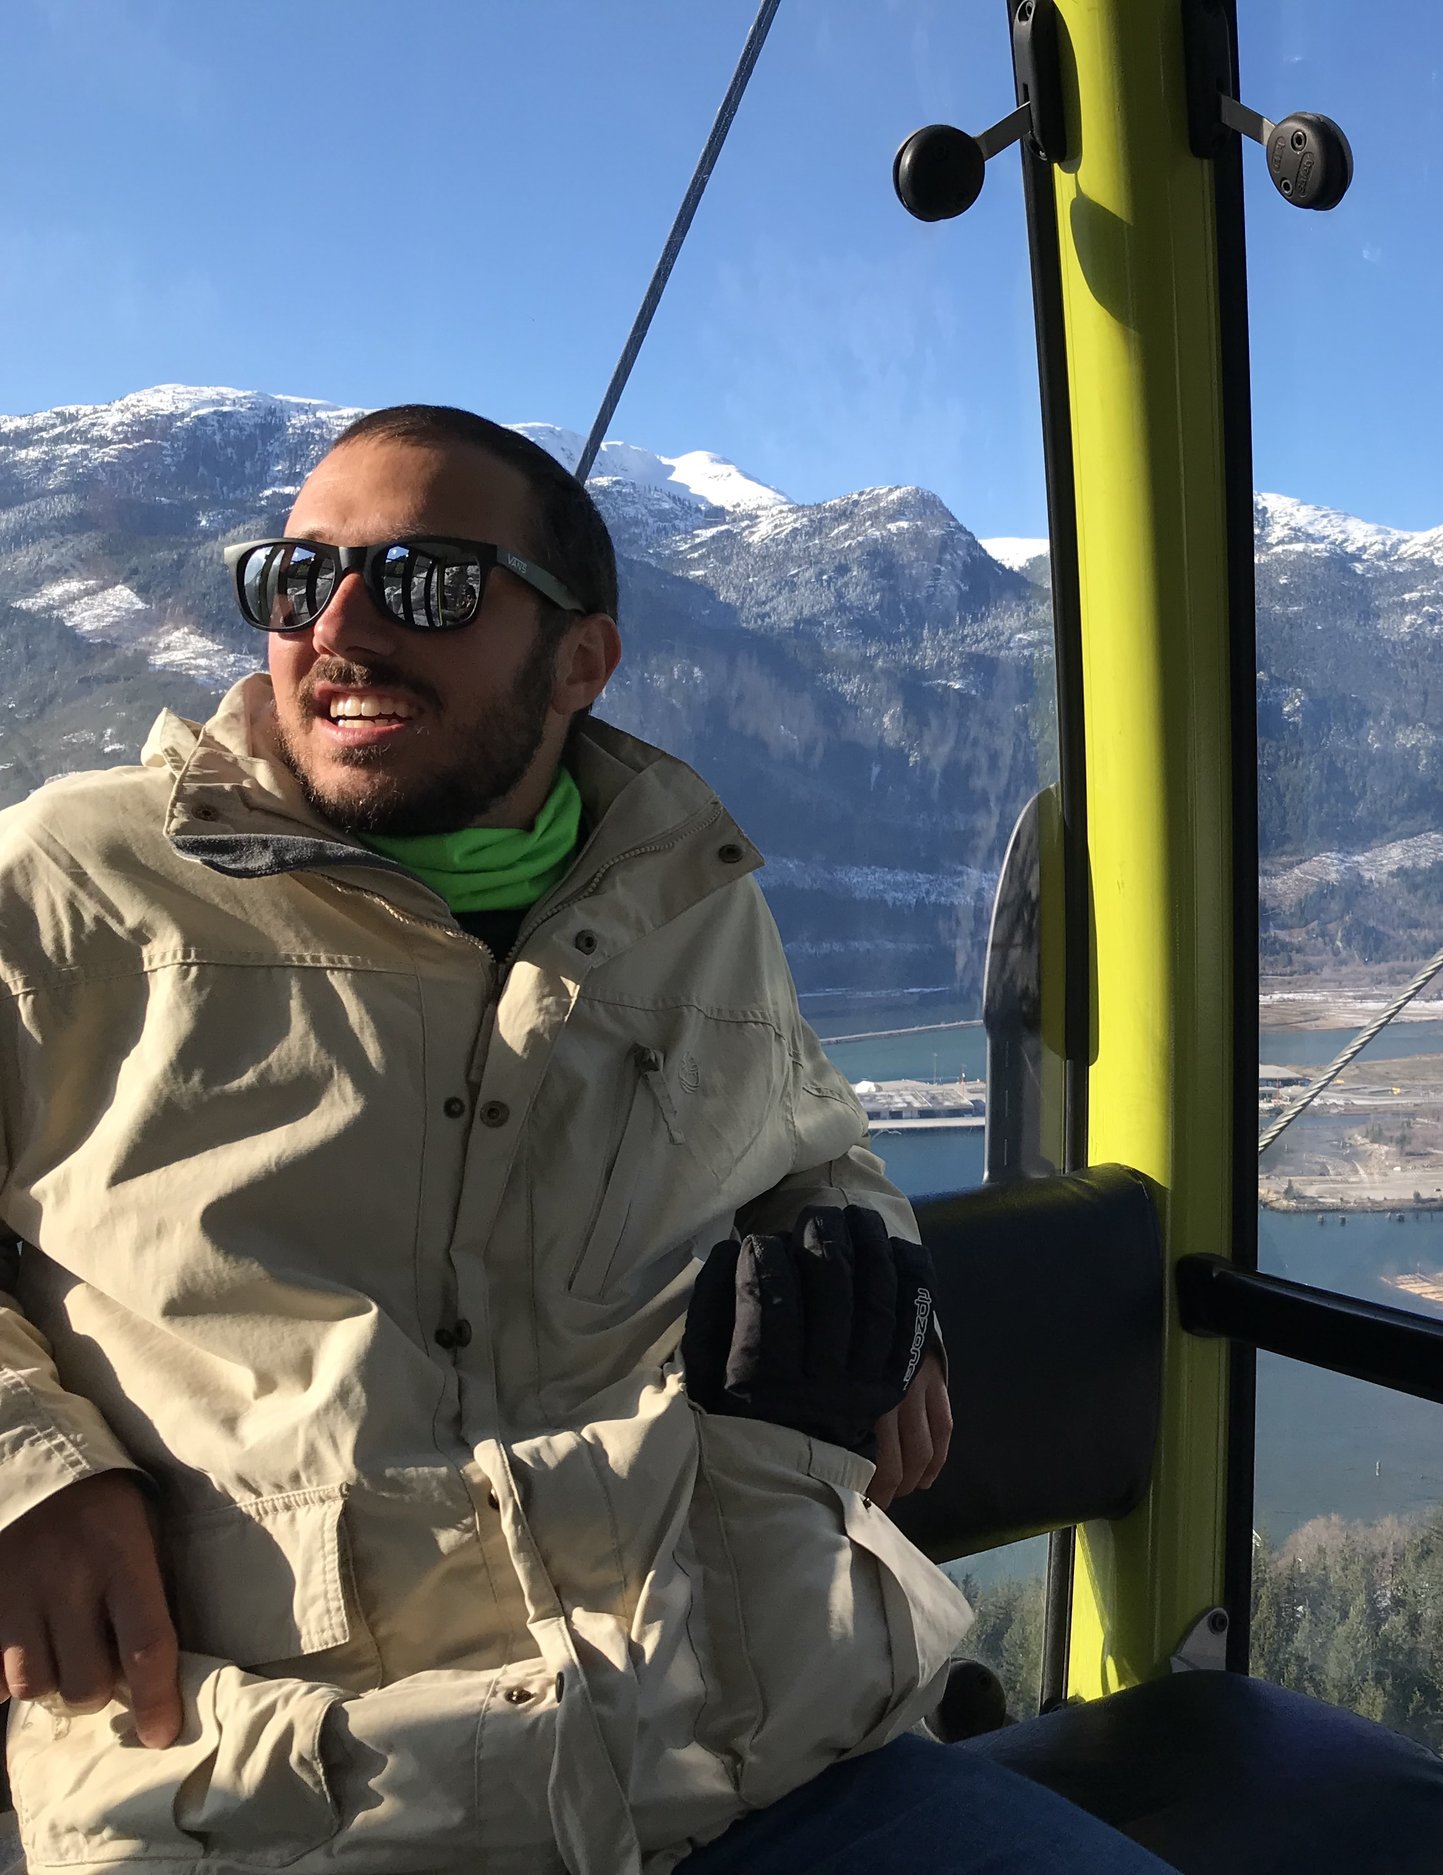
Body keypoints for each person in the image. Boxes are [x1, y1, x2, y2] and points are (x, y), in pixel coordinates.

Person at [0, 408, 1174, 1873]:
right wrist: (33, 1470)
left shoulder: (689, 897)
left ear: (580, 661)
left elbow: (817, 1147)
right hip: (287, 1804)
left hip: (765, 1744)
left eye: (426, 580)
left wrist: (879, 1273)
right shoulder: (71, 889)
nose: (343, 626)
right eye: (297, 579)